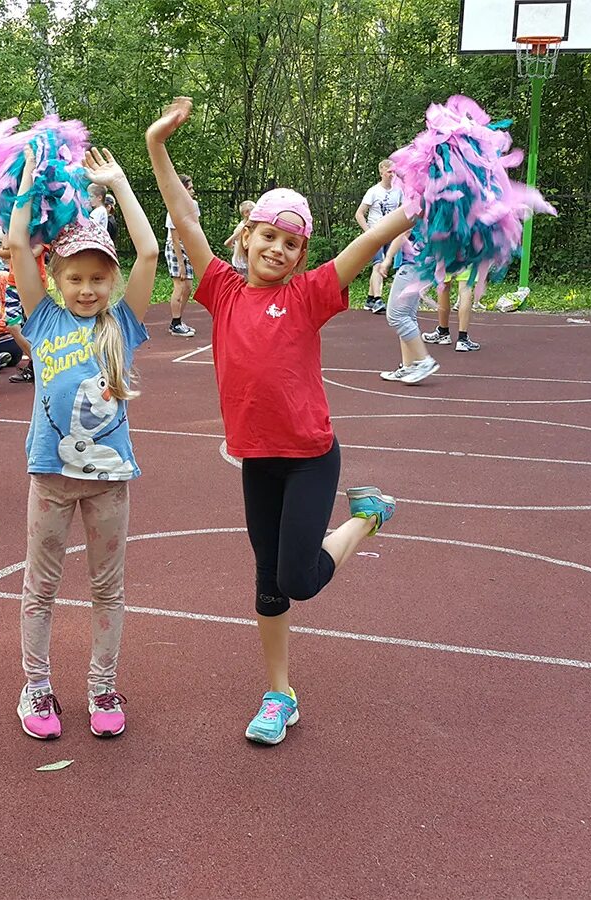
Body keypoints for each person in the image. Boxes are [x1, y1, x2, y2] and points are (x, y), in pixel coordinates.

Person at [148, 97, 400, 745]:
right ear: (247, 237)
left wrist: (418, 204)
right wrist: (157, 145)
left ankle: (367, 518)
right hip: (258, 460)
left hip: (312, 456)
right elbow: (181, 214)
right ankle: (279, 693)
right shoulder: (222, 290)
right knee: (267, 587)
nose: (279, 250)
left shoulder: (310, 293)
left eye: (292, 243)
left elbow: (369, 241)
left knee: (298, 577)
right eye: (269, 237)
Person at [7, 146, 158, 740]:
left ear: (112, 280)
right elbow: (19, 244)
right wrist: (23, 179)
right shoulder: (43, 319)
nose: (87, 288)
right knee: (39, 586)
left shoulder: (121, 325)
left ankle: (102, 685)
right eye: (76, 277)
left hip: (109, 480)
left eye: (98, 278)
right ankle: (36, 688)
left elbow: (149, 251)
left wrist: (120, 183)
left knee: (107, 588)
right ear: (57, 279)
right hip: (50, 474)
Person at [356, 159, 404, 314]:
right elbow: (359, 214)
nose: (392, 175)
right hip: (376, 233)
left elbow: (403, 211)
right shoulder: (374, 191)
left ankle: (370, 299)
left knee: (384, 266)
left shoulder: (398, 191)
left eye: (394, 172)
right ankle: (377, 299)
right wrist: (368, 231)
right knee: (378, 264)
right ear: (382, 172)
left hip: (392, 233)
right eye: (389, 172)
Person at [163, 174, 199, 337]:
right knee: (180, 284)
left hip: (188, 247)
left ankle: (178, 321)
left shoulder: (193, 205)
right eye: (189, 188)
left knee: (189, 287)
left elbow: (195, 229)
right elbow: (176, 239)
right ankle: (175, 323)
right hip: (175, 248)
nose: (192, 191)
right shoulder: (174, 208)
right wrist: (181, 264)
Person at [225, 200, 255, 277]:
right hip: (242, 265)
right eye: (254, 210)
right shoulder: (241, 228)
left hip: (246, 263)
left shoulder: (251, 225)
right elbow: (227, 243)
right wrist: (237, 248)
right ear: (246, 213)